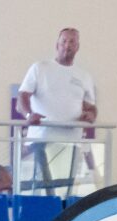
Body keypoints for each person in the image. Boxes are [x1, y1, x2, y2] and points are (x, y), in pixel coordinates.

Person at [17, 27, 97, 194]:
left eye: (72, 42)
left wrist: (90, 115)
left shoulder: (84, 76)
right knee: (44, 189)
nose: (67, 45)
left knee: (66, 190)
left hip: (71, 142)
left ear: (77, 47)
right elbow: (23, 96)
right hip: (41, 140)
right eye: (64, 41)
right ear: (57, 45)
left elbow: (91, 107)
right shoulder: (40, 68)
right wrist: (29, 115)